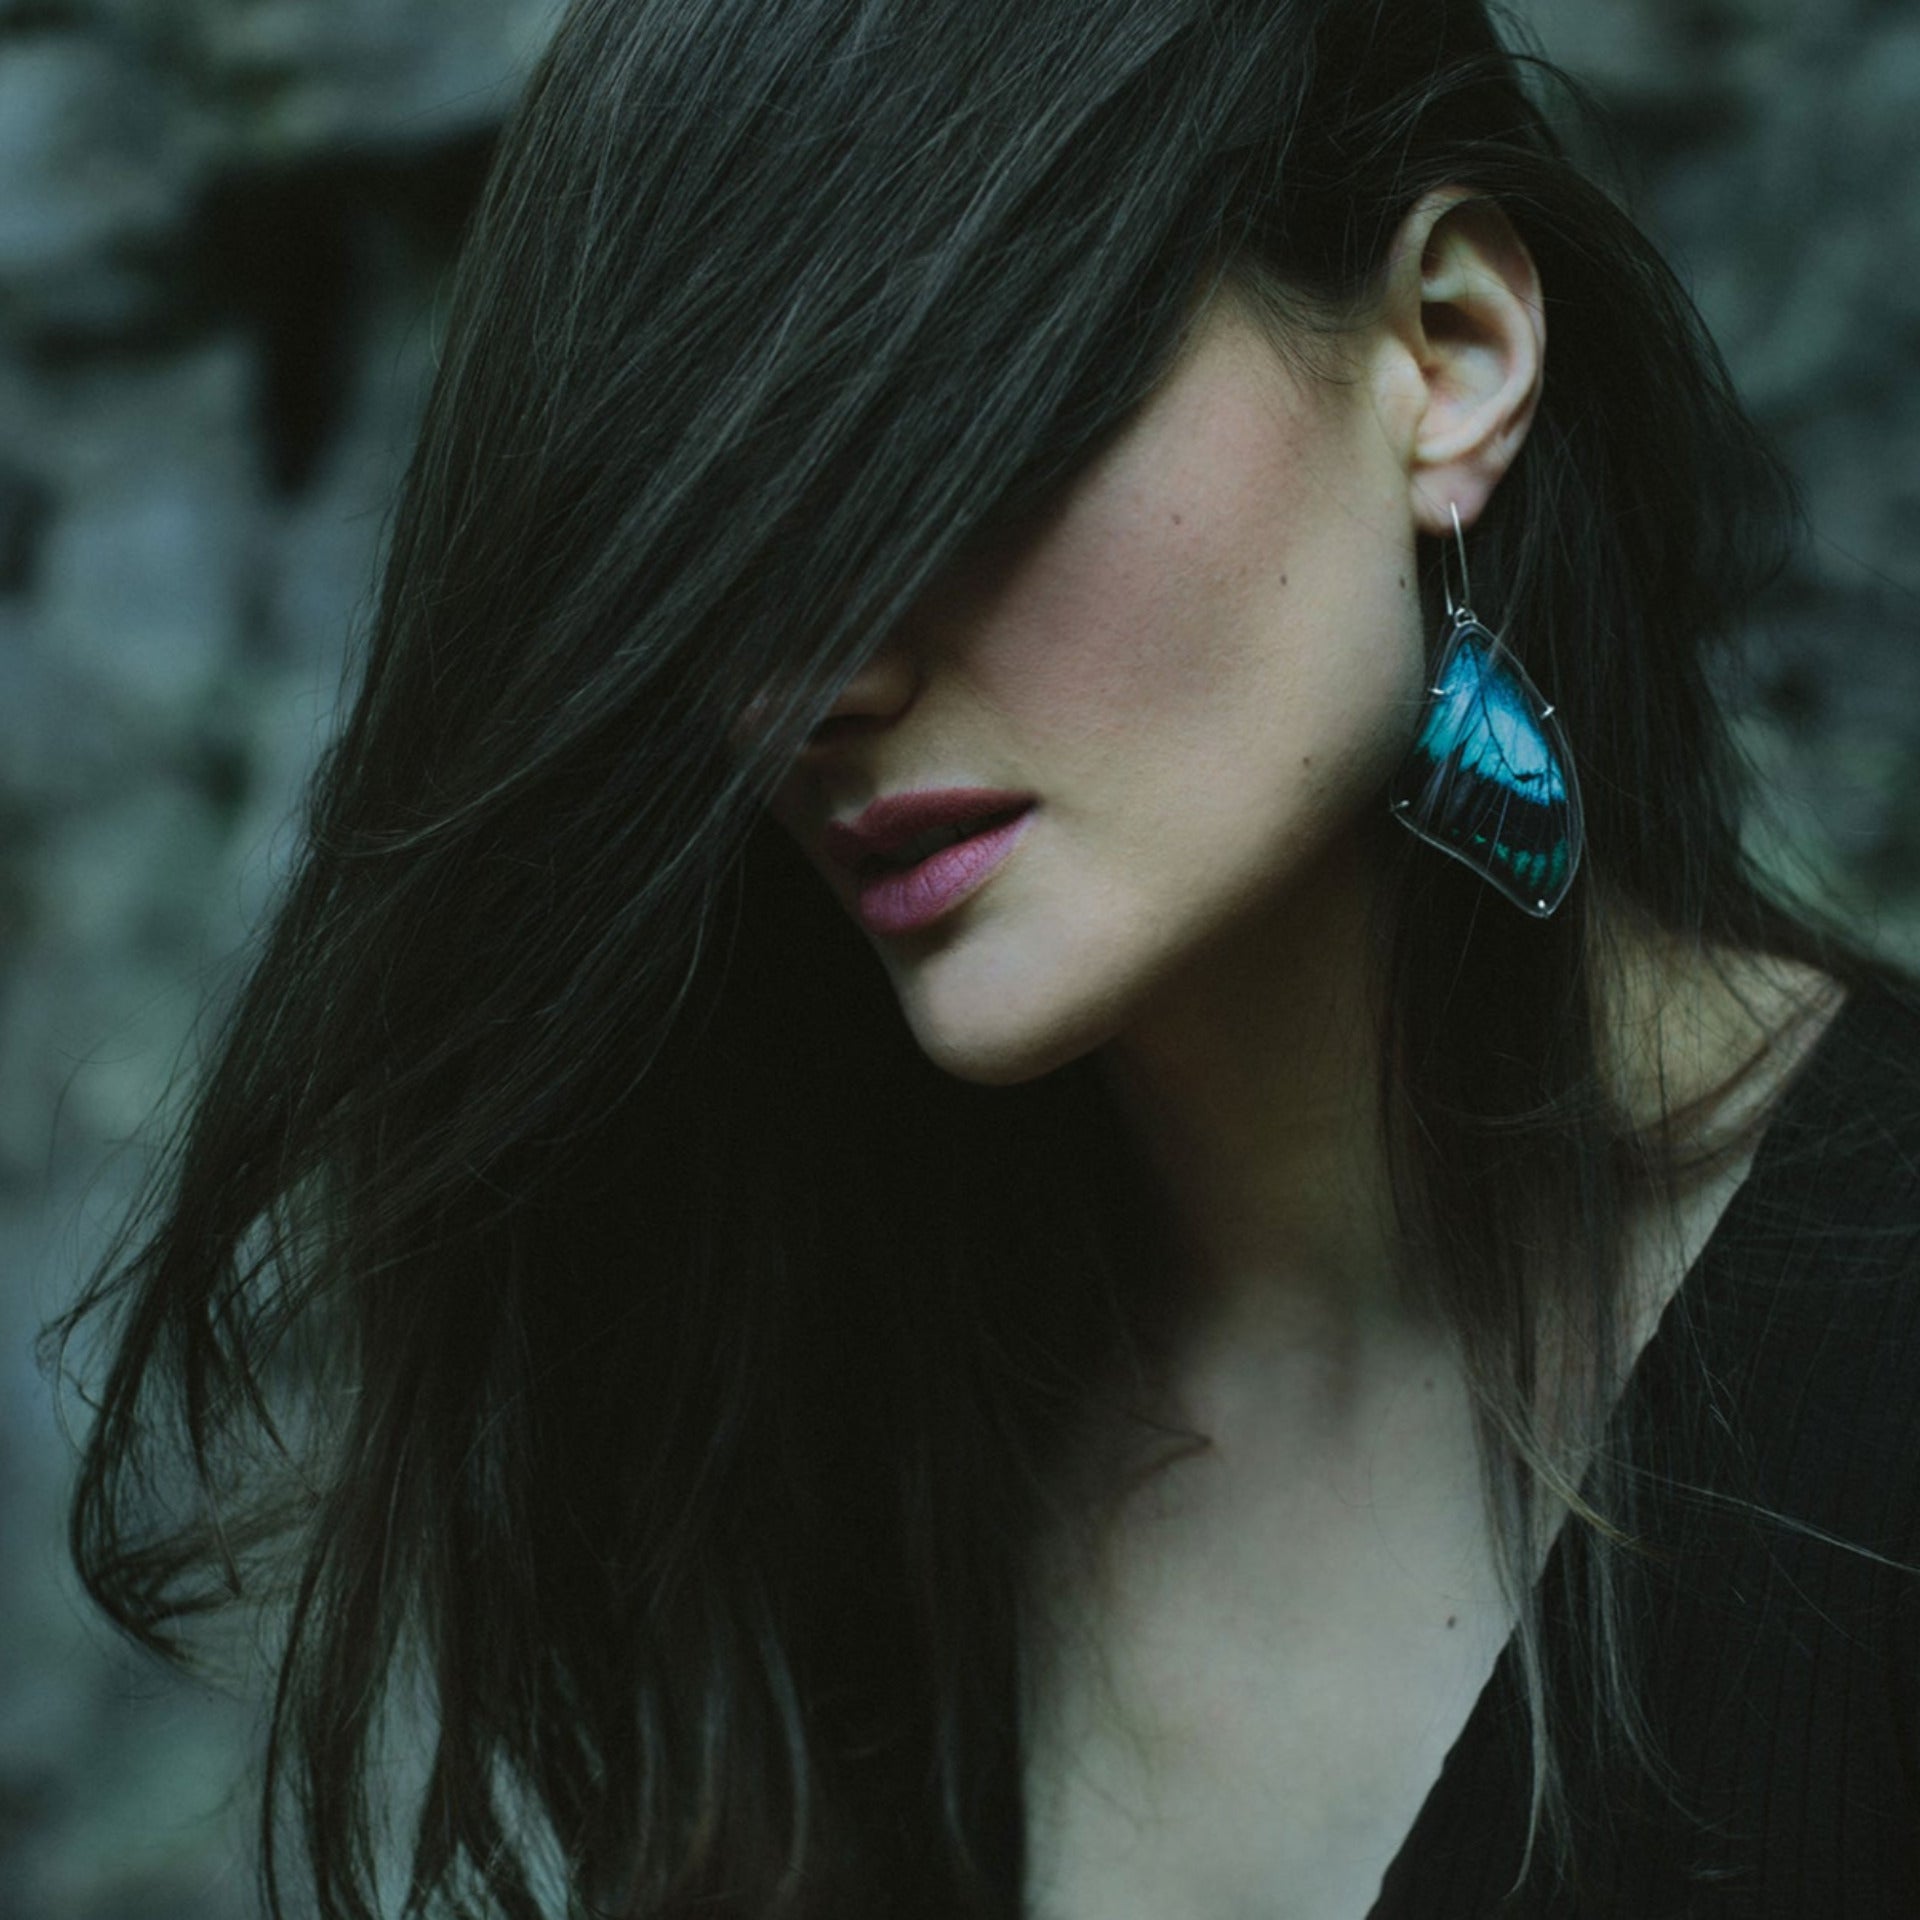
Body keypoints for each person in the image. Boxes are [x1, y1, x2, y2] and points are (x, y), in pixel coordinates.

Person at [48, 0, 1920, 1914]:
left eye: (949, 444)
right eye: (719, 539)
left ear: (1446, 352)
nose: (812, 679)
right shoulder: (816, 1415)